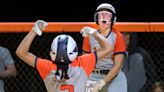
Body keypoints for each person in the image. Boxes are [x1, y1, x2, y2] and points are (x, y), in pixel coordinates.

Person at [16, 20, 113, 92]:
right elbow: (108, 48)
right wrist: (95, 33)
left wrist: (34, 30)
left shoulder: (47, 67)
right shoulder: (83, 63)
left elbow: (21, 52)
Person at [82, 3, 127, 92]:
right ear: (96, 18)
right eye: (101, 15)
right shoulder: (89, 36)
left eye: (108, 16)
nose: (104, 19)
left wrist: (102, 82)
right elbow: (85, 62)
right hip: (93, 74)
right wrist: (87, 80)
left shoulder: (117, 36)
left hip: (114, 75)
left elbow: (117, 65)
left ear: (113, 19)